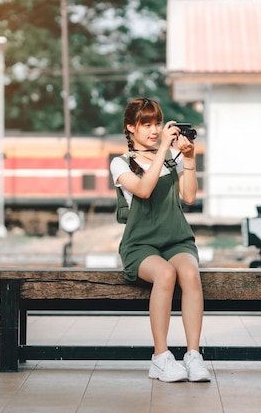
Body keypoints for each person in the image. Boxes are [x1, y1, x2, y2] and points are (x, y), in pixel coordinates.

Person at [109, 98, 211, 383]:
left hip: (176, 239)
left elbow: (189, 197)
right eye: (146, 124)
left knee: (190, 273)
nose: (154, 130)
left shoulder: (171, 159)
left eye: (157, 124)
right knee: (165, 274)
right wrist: (164, 148)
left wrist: (188, 159)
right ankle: (161, 357)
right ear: (131, 127)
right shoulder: (121, 163)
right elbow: (143, 190)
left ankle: (193, 355)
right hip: (140, 245)